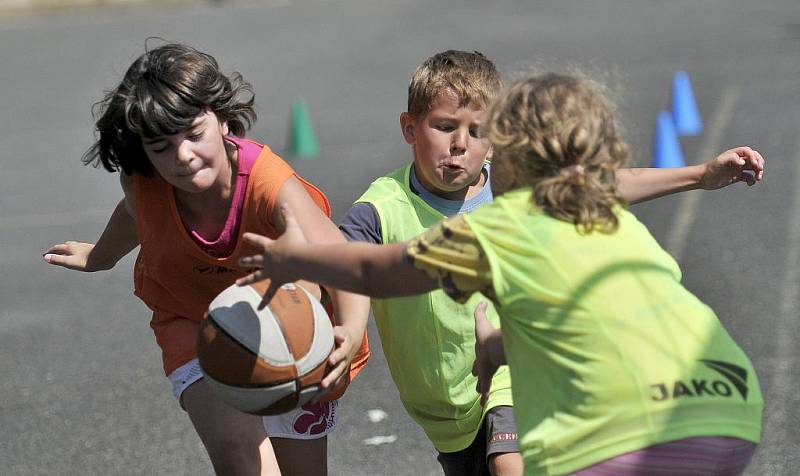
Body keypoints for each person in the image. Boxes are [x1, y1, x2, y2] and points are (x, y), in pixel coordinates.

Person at [236, 72, 764, 475]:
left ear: (505, 156)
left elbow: (378, 272)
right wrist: (497, 346)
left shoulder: (500, 225)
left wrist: (292, 260)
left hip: (628, 427)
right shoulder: (598, 214)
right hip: (729, 404)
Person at [42, 42, 370, 476]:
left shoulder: (270, 186)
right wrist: (100, 257)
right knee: (240, 457)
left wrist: (349, 327)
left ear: (221, 118)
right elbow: (133, 215)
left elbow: (342, 261)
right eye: (160, 147)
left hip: (289, 327)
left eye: (194, 135)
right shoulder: (142, 182)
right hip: (191, 320)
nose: (182, 156)